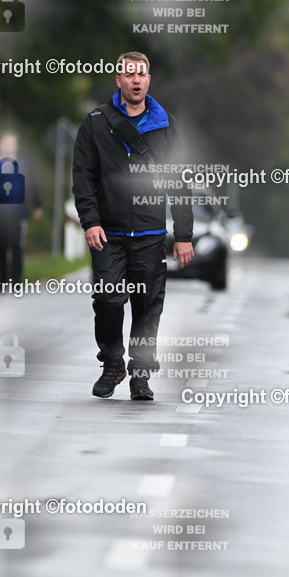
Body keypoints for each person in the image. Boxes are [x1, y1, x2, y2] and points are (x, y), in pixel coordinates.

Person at [72, 51, 193, 401]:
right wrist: (90, 222)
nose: (136, 80)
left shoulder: (165, 124)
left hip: (150, 235)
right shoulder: (95, 123)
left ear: (149, 80)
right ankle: (113, 364)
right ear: (119, 80)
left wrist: (183, 235)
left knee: (147, 306)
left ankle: (141, 374)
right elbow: (83, 177)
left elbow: (180, 181)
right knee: (108, 300)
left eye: (142, 74)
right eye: (129, 74)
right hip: (107, 235)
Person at [0, 132, 43, 284]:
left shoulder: (25, 163)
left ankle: (17, 279)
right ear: (0, 145)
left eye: (10, 143)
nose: (7, 146)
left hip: (18, 211)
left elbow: (34, 184)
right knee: (0, 244)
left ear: (16, 146)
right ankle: (3, 279)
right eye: (5, 143)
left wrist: (38, 205)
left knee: (15, 244)